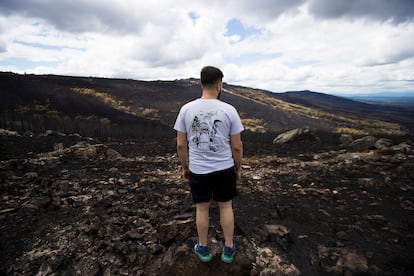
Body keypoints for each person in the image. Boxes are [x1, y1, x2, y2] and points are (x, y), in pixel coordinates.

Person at [173, 66, 244, 263]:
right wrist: (237, 169)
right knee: (226, 207)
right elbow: (237, 147)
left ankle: (203, 248)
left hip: (198, 170)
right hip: (224, 169)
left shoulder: (186, 109)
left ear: (201, 83)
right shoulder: (229, 110)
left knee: (202, 209)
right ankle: (228, 248)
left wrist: (185, 167)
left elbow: (180, 144)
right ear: (219, 84)